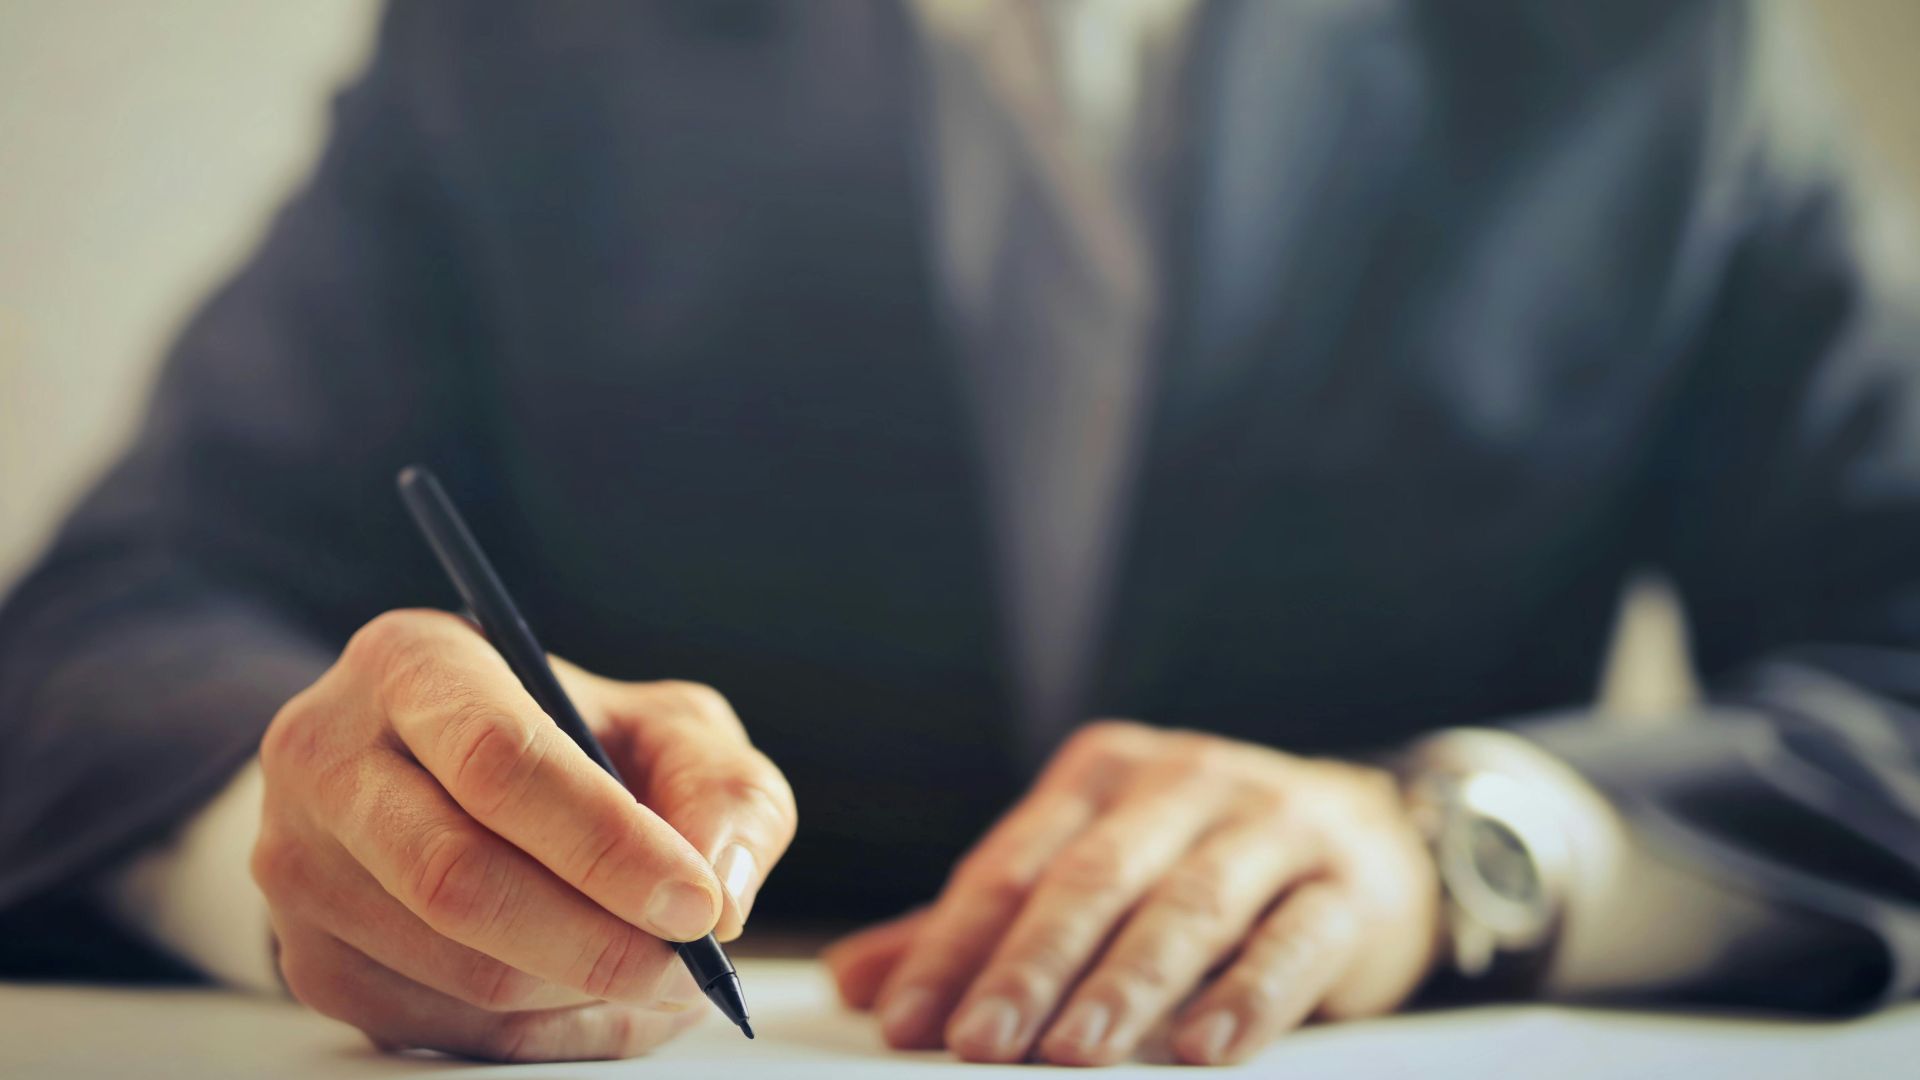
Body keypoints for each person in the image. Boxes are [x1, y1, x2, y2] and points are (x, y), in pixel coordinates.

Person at [3, 0, 1918, 1067]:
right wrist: (348, 852)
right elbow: (97, 642)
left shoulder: (1655, 49)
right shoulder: (514, 44)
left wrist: (1461, 853)